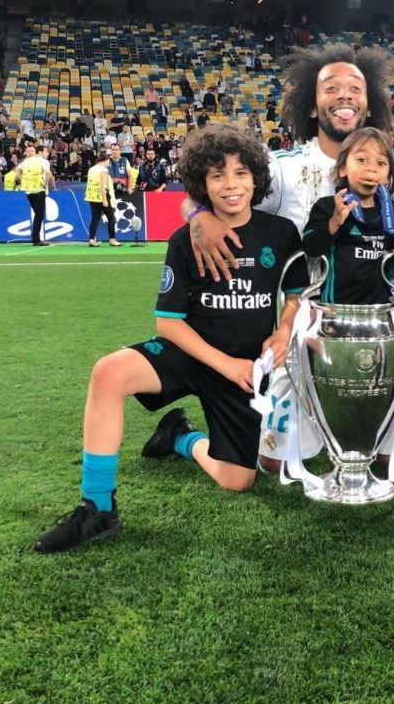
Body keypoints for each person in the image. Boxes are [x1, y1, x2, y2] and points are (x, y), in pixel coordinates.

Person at [182, 45, 394, 468]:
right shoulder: (284, 167)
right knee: (269, 463)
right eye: (331, 88)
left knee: (391, 459)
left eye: (356, 88)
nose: (345, 95)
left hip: (380, 323)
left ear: (370, 104)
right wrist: (200, 218)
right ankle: (183, 437)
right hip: (309, 327)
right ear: (312, 105)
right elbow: (218, 192)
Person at [34, 126, 308, 553]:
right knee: (108, 373)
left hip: (243, 372)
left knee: (238, 480)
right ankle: (98, 509)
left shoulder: (281, 234)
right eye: (217, 176)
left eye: (240, 173)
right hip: (192, 354)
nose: (231, 185)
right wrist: (224, 363)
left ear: (257, 177)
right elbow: (169, 323)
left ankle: (178, 436)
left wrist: (284, 328)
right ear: (202, 184)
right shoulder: (186, 239)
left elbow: (294, 295)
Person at [303, 127, 394, 304]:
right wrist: (333, 223)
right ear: (342, 169)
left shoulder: (393, 210)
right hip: (336, 310)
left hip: (380, 312)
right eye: (361, 160)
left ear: (388, 175)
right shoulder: (329, 206)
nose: (371, 168)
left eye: (381, 163)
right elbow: (310, 247)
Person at [13, 143, 54, 246]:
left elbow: (17, 170)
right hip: (39, 190)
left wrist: (22, 180)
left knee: (37, 214)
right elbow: (48, 173)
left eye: (32, 151)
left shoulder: (26, 161)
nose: (30, 152)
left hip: (28, 190)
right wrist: (48, 184)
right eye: (29, 151)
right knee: (39, 215)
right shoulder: (43, 161)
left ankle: (35, 237)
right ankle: (36, 239)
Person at [84, 150, 121, 248]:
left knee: (95, 219)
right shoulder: (103, 170)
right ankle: (112, 239)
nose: (109, 163)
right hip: (102, 197)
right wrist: (105, 200)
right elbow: (102, 185)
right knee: (111, 219)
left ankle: (92, 240)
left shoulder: (91, 169)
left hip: (92, 197)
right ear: (105, 160)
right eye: (108, 161)